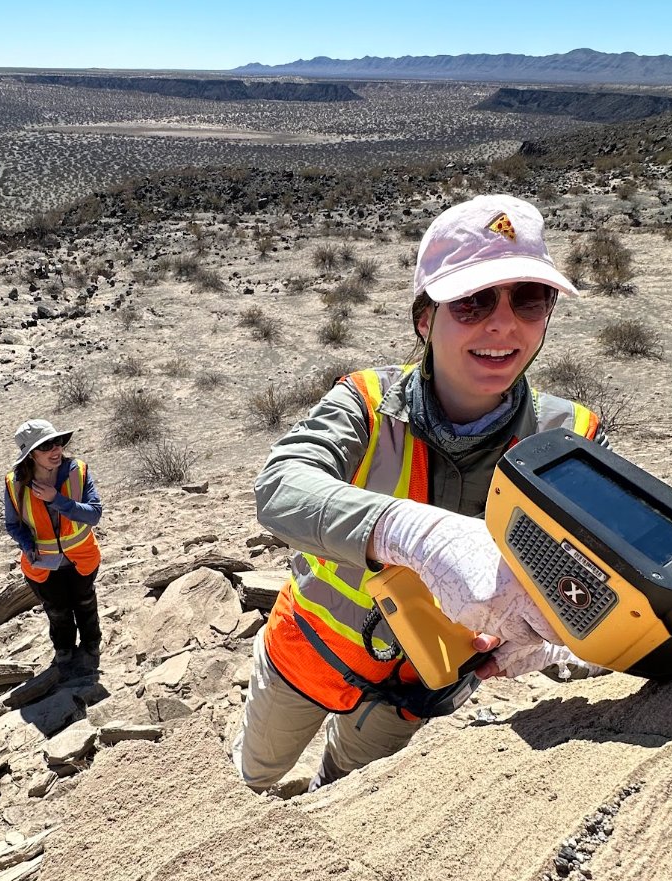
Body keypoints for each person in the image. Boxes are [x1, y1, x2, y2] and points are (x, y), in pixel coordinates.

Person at [233, 194, 608, 793]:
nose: (503, 324)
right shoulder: (365, 402)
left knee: (345, 791)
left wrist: (551, 635)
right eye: (473, 300)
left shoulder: (570, 437)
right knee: (254, 781)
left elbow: (590, 573)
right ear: (425, 319)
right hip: (306, 656)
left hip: (424, 686)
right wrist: (413, 534)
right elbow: (281, 486)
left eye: (529, 300)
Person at [4, 419, 103, 668]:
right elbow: (13, 525)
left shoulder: (77, 471)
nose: (55, 449)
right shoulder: (15, 483)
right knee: (57, 610)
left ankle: (92, 643)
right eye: (46, 446)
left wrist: (57, 499)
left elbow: (94, 514)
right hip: (43, 565)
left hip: (82, 556)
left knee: (85, 602)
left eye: (57, 442)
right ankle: (64, 649)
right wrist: (28, 545)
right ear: (30, 454)